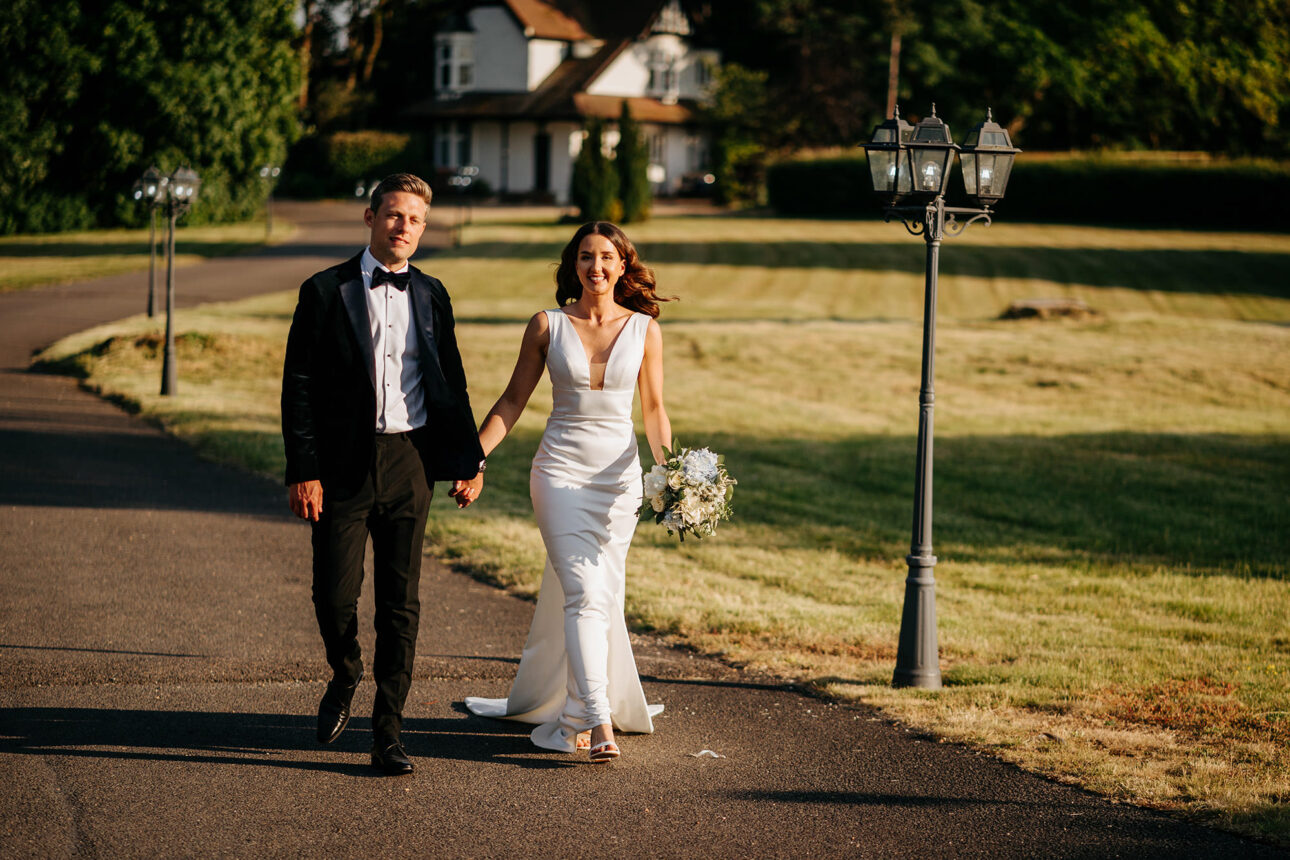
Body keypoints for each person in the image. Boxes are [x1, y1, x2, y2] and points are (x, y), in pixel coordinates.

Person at [281, 173, 484, 776]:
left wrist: (467, 461)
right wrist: (304, 469)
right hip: (341, 467)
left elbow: (450, 382)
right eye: (394, 215)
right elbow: (298, 386)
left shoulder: (433, 294)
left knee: (401, 604)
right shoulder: (325, 290)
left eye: (415, 219)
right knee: (333, 595)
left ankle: (388, 733)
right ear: (370, 217)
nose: (404, 227)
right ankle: (345, 670)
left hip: (410, 463)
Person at [459, 221, 672, 763]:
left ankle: (582, 708)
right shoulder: (546, 325)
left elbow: (653, 410)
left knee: (602, 592)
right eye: (585, 256)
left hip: (618, 482)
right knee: (582, 590)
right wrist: (473, 458)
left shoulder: (644, 329)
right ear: (572, 265)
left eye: (606, 257)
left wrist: (672, 474)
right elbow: (512, 401)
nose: (595, 267)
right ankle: (596, 719)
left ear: (623, 265)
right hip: (559, 474)